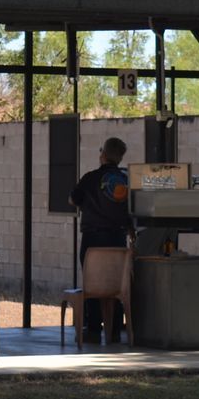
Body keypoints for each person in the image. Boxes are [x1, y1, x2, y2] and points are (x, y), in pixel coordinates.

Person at [69, 135, 132, 344]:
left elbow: (73, 199)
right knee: (116, 285)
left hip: (92, 240)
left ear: (103, 154)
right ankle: (114, 330)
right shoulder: (126, 180)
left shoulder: (90, 178)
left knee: (92, 285)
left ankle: (93, 329)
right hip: (117, 240)